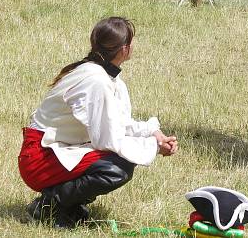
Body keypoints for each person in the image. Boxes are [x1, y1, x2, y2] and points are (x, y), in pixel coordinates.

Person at [19, 17, 178, 228]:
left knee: (118, 160)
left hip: (53, 150)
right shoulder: (96, 80)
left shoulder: (101, 74)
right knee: (117, 167)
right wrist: (153, 146)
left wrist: (152, 132)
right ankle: (49, 205)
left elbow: (117, 122)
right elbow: (107, 139)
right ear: (124, 49)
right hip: (39, 157)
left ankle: (68, 206)